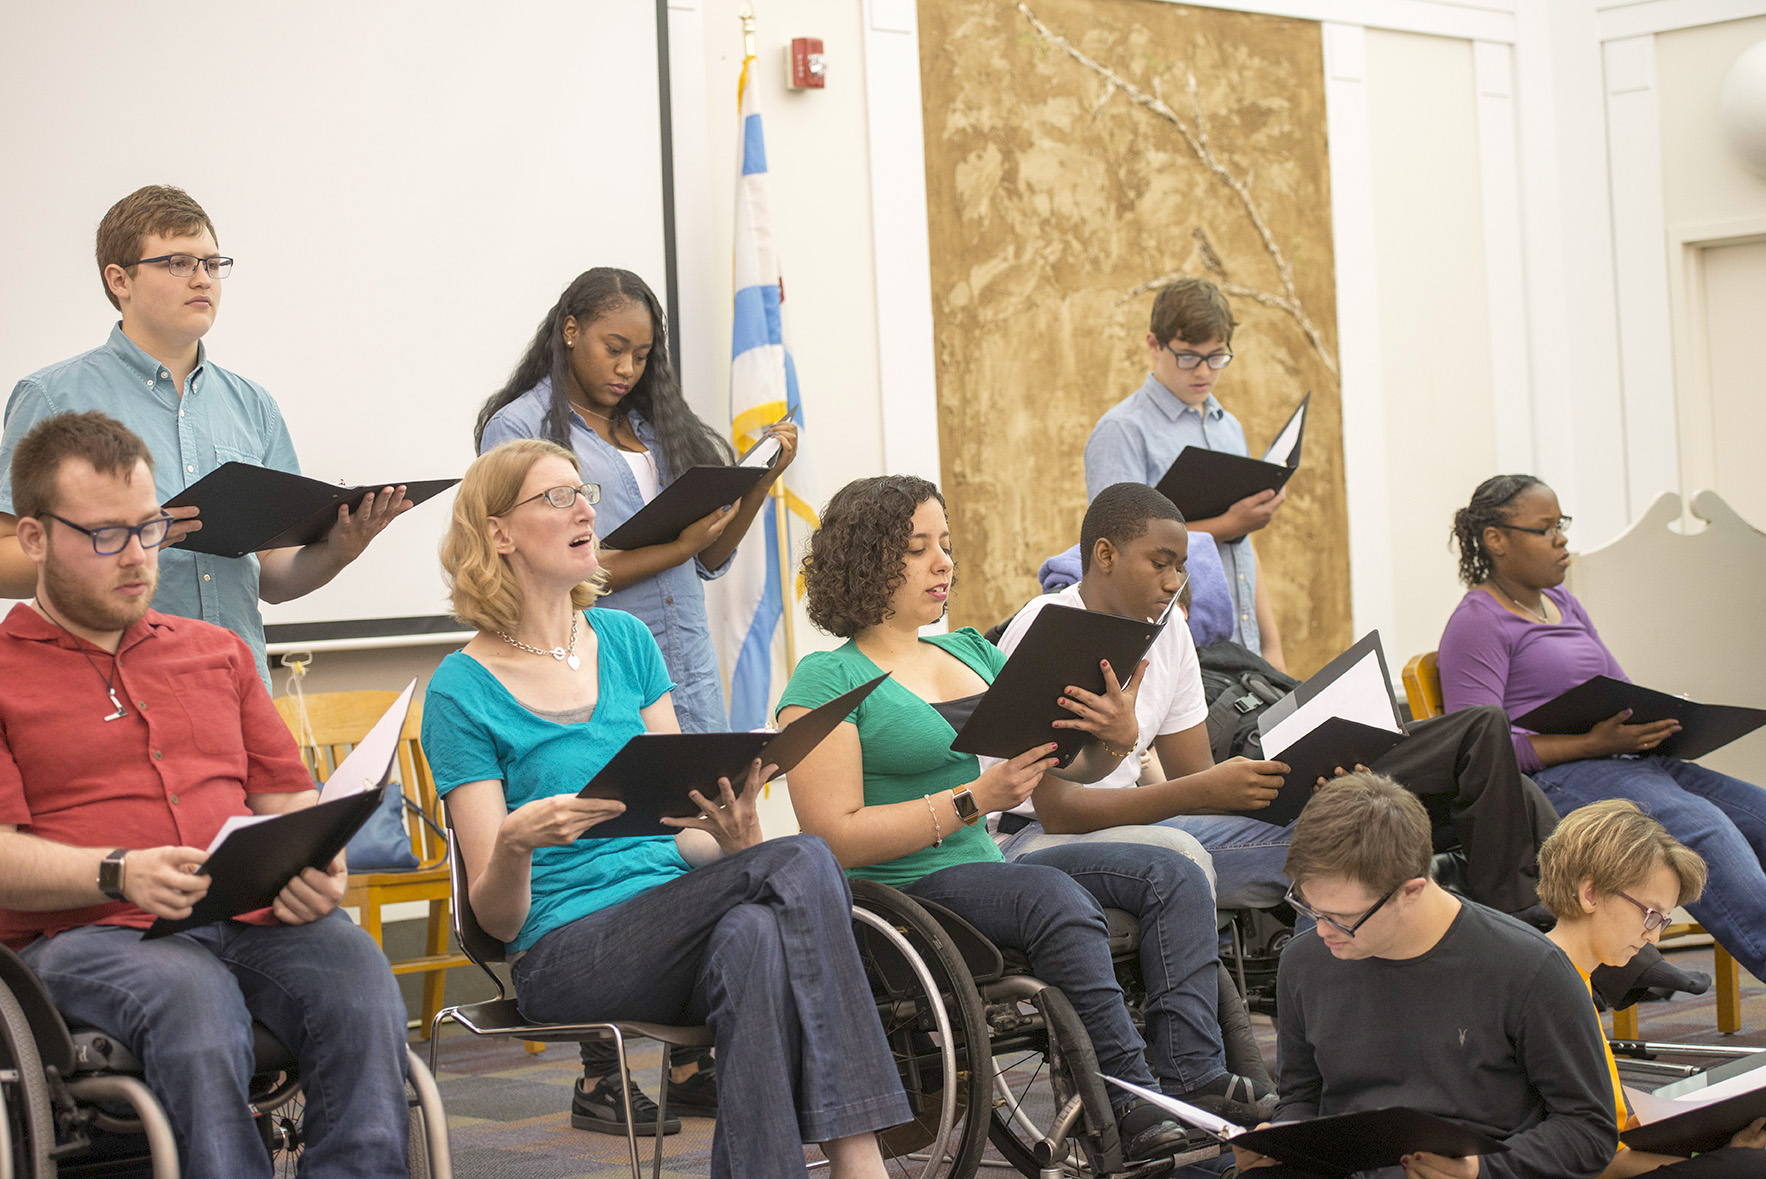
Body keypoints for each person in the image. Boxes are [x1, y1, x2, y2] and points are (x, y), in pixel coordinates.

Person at [419, 438, 908, 1179]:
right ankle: (860, 1159)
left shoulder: (626, 640)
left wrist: (733, 833)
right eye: (558, 496)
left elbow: (683, 838)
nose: (587, 506)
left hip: (677, 915)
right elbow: (500, 923)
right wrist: (515, 843)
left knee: (752, 934)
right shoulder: (461, 689)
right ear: (498, 532)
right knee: (805, 855)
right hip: (566, 950)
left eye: (585, 491)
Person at [777, 474, 1273, 1159]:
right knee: (1053, 897)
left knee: (1175, 871)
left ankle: (1193, 1076)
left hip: (985, 868)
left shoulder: (969, 652)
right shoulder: (824, 679)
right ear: (866, 558)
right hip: (902, 893)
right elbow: (833, 837)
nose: (943, 562)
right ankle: (1130, 1099)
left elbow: (1063, 774)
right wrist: (973, 799)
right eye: (918, 548)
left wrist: (1115, 737)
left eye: (945, 544)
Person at [0, 411, 410, 1179]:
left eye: (148, 528)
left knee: (359, 981)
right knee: (191, 998)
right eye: (104, 536)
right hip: (89, 933)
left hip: (249, 917)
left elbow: (289, 798)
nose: (136, 557)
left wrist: (319, 863)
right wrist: (119, 871)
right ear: (33, 538)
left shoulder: (216, 652)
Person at [473, 267, 793, 1126]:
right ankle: (599, 1068)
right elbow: (566, 559)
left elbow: (710, 557)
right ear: (570, 328)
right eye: (614, 347)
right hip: (579, 650)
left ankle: (694, 1060)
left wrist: (756, 482)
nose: (627, 367)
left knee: (694, 826)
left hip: (673, 649)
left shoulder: (656, 424)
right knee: (602, 828)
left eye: (643, 354)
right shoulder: (523, 427)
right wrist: (681, 539)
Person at [996, 482, 1559, 920]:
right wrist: (1199, 789)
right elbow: (1060, 810)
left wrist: (1303, 782)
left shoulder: (1167, 630)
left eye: (1182, 566)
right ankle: (1331, 1032)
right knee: (1346, 845)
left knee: (1350, 815)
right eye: (1160, 563)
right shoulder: (1049, 629)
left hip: (1145, 823)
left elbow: (1198, 779)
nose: (1174, 582)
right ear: (1105, 555)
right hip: (1041, 837)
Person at [0, 185, 412, 686]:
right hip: (117, 689)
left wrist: (337, 550)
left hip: (239, 688)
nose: (202, 279)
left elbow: (274, 576)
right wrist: (125, 540)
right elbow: (5, 558)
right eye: (178, 262)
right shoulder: (52, 398)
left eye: (213, 265)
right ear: (119, 279)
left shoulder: (253, 405)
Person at [1438, 474, 1766, 984]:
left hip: (1635, 762)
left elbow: (1619, 687)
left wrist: (1662, 721)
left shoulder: (1563, 605)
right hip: (1567, 779)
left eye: (1561, 525)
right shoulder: (1476, 622)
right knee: (1703, 828)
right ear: (1496, 540)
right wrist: (1592, 743)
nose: (1561, 539)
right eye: (1544, 529)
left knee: (1760, 815)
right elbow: (1479, 746)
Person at [1236, 772, 1616, 1179]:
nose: (1323, 930)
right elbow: (1302, 1097)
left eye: (1342, 918)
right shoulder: (1304, 961)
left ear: (1411, 891)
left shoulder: (1530, 968)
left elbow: (1589, 1130)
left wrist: (1483, 1169)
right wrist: (1285, 1136)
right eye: (1308, 907)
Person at [1538, 799, 1766, 1176]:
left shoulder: (1565, 976)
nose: (1655, 937)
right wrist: (1728, 1160)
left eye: (1662, 921)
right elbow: (1602, 1161)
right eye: (1650, 915)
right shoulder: (1554, 992)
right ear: (1591, 894)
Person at [1084, 277, 1284, 669]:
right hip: (1167, 650)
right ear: (1154, 345)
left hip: (1243, 652)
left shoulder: (1229, 427)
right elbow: (1120, 555)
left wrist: (1269, 645)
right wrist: (1228, 523)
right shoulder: (1123, 430)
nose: (1204, 371)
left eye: (1217, 357)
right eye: (1189, 356)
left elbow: (1245, 548)